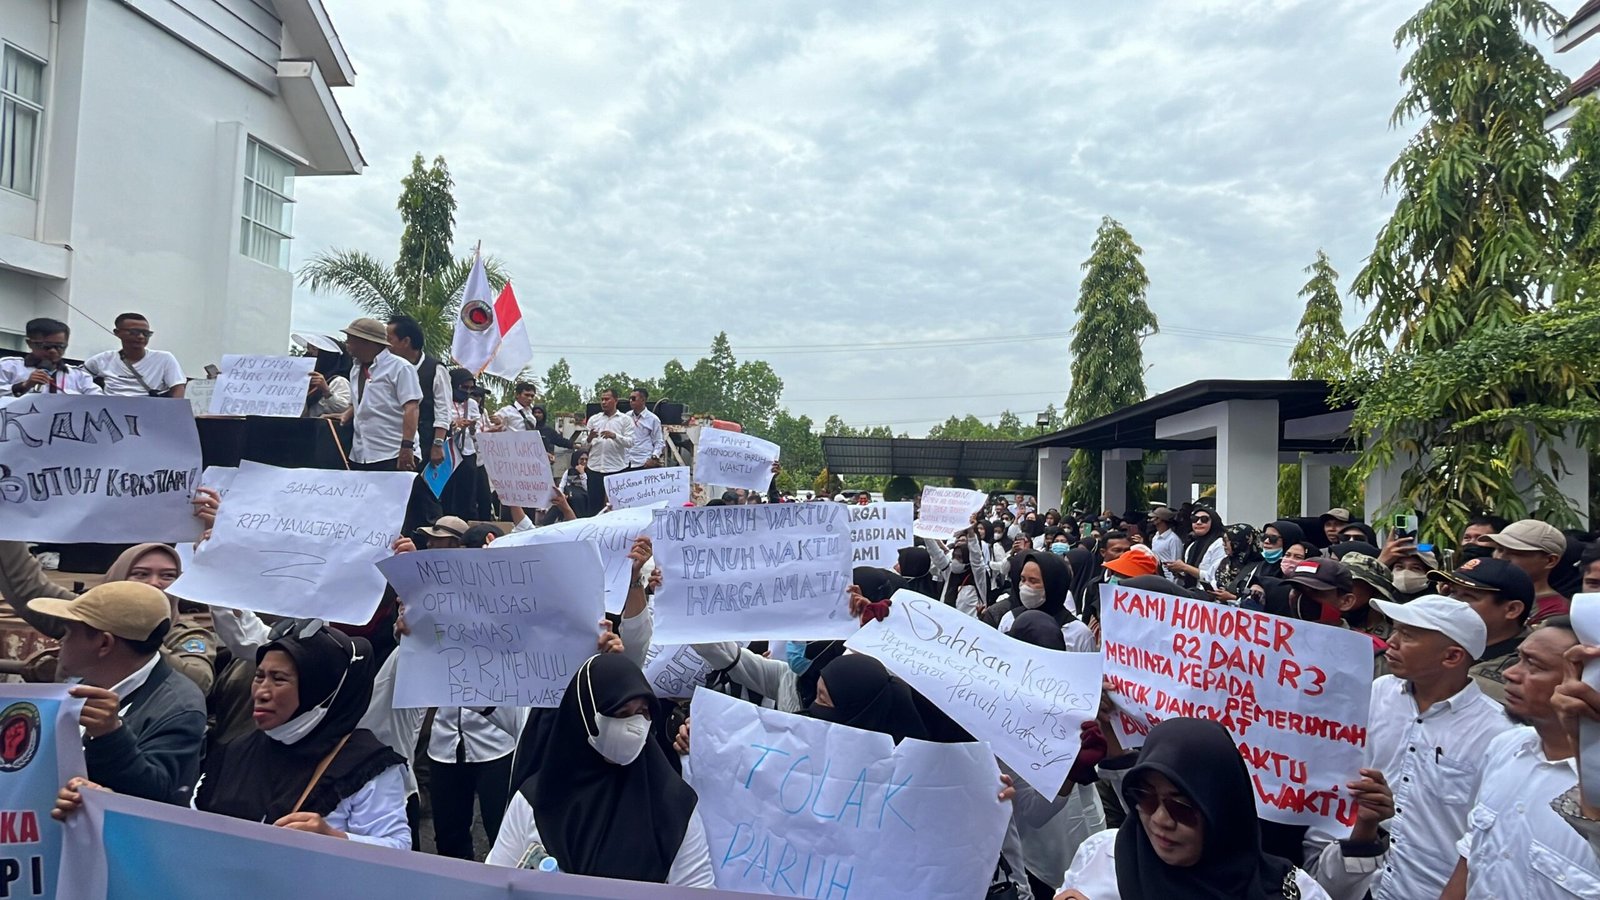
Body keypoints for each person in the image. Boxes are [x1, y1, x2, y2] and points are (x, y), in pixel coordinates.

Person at [1305, 594, 1513, 900]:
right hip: (1354, 874)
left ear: (1452, 657)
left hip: (1425, 888)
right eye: (1395, 629)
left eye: (1408, 635)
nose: (1392, 641)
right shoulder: (1378, 691)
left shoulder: (1498, 734)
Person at [172, 620, 407, 848]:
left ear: (317, 689)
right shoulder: (235, 750)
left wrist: (334, 839)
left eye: (279, 679)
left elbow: (398, 847)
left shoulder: (365, 765)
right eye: (259, 676)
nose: (262, 692)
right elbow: (195, 821)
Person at [487, 654, 713, 884]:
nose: (635, 726)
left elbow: (697, 888)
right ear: (584, 717)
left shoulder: (673, 804)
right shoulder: (535, 801)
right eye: (622, 713)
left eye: (643, 713)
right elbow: (494, 882)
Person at [1055, 717, 1331, 899]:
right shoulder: (1101, 857)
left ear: (1223, 810)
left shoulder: (1294, 891)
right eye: (1145, 796)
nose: (1161, 819)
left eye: (1182, 806)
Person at [1441, 618, 1600, 898]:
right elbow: (1471, 857)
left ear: (1585, 683)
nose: (1511, 674)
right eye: (1518, 658)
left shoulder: (1592, 792)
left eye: (1534, 665)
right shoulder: (1505, 747)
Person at [30, 582, 206, 806]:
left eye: (70, 631)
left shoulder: (180, 706)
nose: (61, 641)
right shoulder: (80, 683)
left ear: (104, 643)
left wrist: (110, 736)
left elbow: (161, 797)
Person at [0, 540, 217, 693]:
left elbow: (199, 682)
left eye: (168, 576)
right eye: (141, 574)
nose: (154, 583)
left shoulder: (186, 633)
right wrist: (9, 520)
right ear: (117, 577)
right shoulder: (85, 616)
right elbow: (27, 589)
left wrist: (139, 639)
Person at [1432, 556, 1535, 706]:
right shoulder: (1435, 644)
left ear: (1512, 610)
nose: (1451, 603)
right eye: (1452, 592)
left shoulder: (1532, 665)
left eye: (1468, 596)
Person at [385, 315, 451, 533]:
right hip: (394, 441)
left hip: (424, 441)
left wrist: (438, 443)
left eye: (390, 339)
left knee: (424, 495)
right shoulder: (388, 368)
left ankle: (431, 539)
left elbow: (443, 409)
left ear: (406, 341)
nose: (386, 345)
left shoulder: (434, 369)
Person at [340, 317, 422, 476]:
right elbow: (360, 402)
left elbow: (411, 408)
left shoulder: (400, 367)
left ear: (367, 343)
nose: (347, 346)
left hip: (392, 453)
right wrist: (346, 413)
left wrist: (406, 447)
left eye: (351, 341)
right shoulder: (355, 369)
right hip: (361, 453)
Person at [1486, 518, 1570, 622]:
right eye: (1499, 549)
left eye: (1515, 552)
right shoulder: (1484, 593)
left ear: (1550, 561)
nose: (1500, 557)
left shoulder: (1556, 611)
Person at [83, 312, 185, 397]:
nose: (141, 337)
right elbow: (77, 379)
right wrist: (95, 394)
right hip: (112, 414)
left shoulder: (164, 359)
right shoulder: (102, 359)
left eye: (146, 333)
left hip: (150, 413)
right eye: (134, 332)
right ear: (117, 332)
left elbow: (178, 388)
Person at [2, 317, 100, 398]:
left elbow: (100, 402)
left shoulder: (79, 376)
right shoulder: (8, 367)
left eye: (60, 346)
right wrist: (24, 385)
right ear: (30, 343)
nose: (53, 351)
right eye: (46, 346)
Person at [439, 368, 483, 522]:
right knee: (447, 491)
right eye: (464, 387)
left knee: (468, 492)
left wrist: (471, 427)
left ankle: (466, 524)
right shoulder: (444, 400)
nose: (468, 392)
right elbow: (440, 421)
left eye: (471, 388)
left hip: (467, 451)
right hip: (448, 451)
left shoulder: (471, 404)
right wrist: (455, 424)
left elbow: (476, 432)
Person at [582, 388, 634, 515]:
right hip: (595, 467)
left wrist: (615, 436)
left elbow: (631, 442)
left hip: (616, 468)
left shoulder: (625, 420)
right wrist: (589, 438)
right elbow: (583, 444)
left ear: (615, 400)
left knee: (616, 506)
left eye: (607, 399)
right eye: (602, 399)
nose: (604, 402)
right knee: (594, 507)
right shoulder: (594, 419)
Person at [1164, 506, 1224, 590]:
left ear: (1213, 522)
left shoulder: (1220, 544)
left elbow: (1213, 577)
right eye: (1194, 519)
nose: (1198, 522)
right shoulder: (1192, 545)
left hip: (1209, 596)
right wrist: (1178, 570)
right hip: (1191, 593)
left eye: (1204, 519)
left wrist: (1185, 567)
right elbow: (1189, 575)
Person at [295, 332, 352, 418]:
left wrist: (326, 391)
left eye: (314, 349)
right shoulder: (306, 381)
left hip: (323, 429)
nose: (310, 353)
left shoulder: (338, 381)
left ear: (327, 355)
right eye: (308, 348)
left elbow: (345, 410)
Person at [625, 387, 666, 470]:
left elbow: (659, 441)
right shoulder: (626, 416)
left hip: (644, 462)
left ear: (643, 400)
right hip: (627, 462)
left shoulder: (653, 419)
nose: (630, 401)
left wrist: (654, 458)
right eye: (630, 398)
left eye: (633, 399)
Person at [1147, 506, 1182, 574]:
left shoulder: (1174, 540)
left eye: (1153, 517)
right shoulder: (1156, 536)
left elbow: (1176, 564)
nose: (1151, 520)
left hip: (1168, 578)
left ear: (1159, 519)